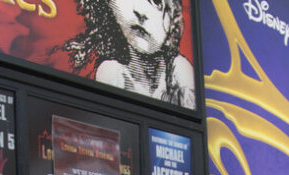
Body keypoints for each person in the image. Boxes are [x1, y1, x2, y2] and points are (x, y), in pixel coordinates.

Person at [63, 0, 196, 108]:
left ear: (173, 21)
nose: (140, 12)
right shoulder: (112, 73)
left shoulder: (180, 71)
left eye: (157, 3)